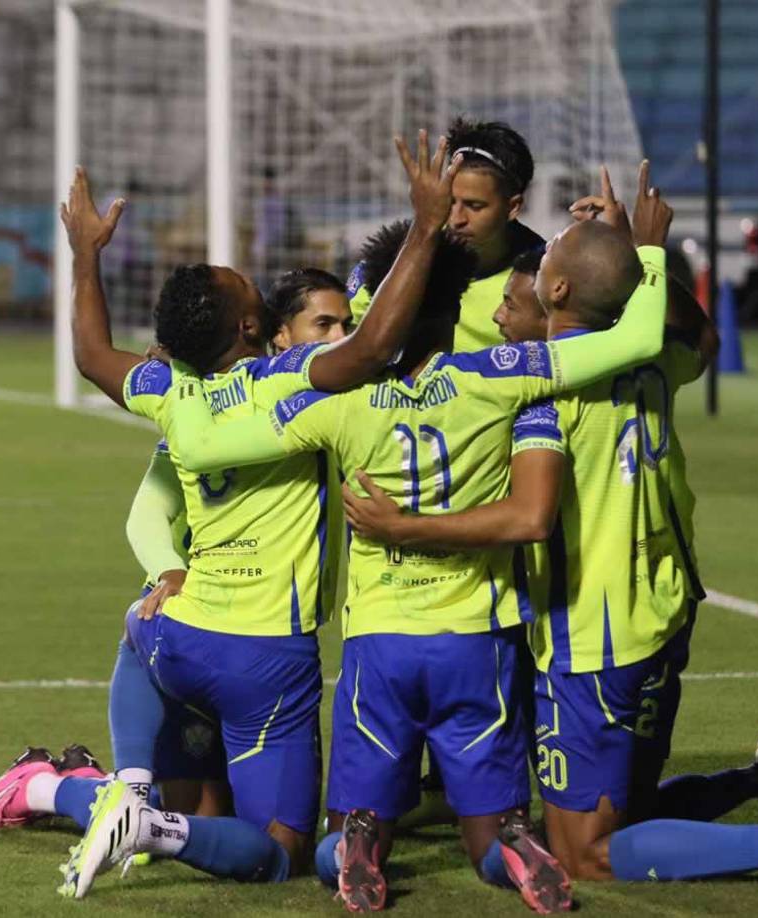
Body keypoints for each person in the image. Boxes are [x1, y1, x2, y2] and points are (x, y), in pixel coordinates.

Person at [340, 167, 758, 892]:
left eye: (521, 293)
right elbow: (700, 338)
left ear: (556, 294)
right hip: (664, 608)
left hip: (593, 633)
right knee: (626, 811)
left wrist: (406, 526)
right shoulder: (651, 363)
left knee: (580, 852)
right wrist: (640, 256)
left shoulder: (549, 386)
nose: (499, 318)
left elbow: (526, 516)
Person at [160, 161, 675, 914]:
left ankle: (362, 842)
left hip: (381, 644)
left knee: (343, 827)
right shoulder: (503, 375)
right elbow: (636, 337)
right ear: (457, 304)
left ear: (386, 311)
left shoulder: (337, 403)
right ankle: (512, 845)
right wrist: (651, 254)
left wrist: (176, 396)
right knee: (490, 833)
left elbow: (205, 449)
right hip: (477, 636)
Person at [51, 130, 463, 899]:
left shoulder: (169, 391)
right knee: (278, 849)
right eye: (251, 291)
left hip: (180, 636)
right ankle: (153, 826)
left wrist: (85, 253)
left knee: (138, 627)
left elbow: (88, 352)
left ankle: (125, 786)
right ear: (251, 329)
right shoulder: (290, 384)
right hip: (267, 657)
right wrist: (427, 226)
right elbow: (374, 346)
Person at [0, 268, 357, 840]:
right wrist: (171, 570)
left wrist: (88, 253)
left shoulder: (187, 388)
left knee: (221, 827)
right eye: (325, 323)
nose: (341, 334)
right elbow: (148, 509)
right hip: (216, 622)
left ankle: (91, 792)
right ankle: (78, 789)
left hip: (238, 636)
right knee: (219, 820)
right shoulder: (228, 392)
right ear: (279, 333)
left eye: (347, 323)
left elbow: (94, 356)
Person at [349, 117, 544, 353]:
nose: (456, 219)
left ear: (513, 207)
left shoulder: (545, 276)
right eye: (449, 202)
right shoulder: (399, 256)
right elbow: (339, 341)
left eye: (474, 206)